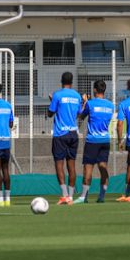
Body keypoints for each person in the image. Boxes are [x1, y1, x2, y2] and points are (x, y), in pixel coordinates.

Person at [76, 80, 113, 204]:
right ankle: (101, 196)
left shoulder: (90, 104)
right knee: (103, 167)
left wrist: (84, 102)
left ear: (95, 90)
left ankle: (84, 197)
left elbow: (80, 116)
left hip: (92, 140)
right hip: (105, 140)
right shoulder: (110, 105)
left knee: (88, 168)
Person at [47, 72, 81, 205]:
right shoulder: (77, 96)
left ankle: (65, 195)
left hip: (60, 134)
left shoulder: (57, 95)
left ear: (61, 81)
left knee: (59, 164)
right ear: (72, 82)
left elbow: (50, 113)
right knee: (71, 165)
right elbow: (78, 114)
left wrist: (52, 102)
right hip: (73, 133)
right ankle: (71, 197)